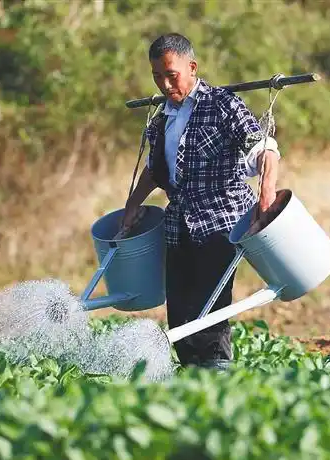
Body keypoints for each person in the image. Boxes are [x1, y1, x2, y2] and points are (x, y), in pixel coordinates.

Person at [120, 33, 281, 370]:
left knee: (208, 310)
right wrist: (133, 204)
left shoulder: (222, 105)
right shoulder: (162, 118)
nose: (164, 84)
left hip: (220, 223)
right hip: (178, 225)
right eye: (157, 77)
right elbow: (155, 168)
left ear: (191, 68)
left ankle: (217, 376)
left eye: (171, 75)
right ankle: (193, 380)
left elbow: (265, 151)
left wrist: (265, 204)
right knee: (179, 315)